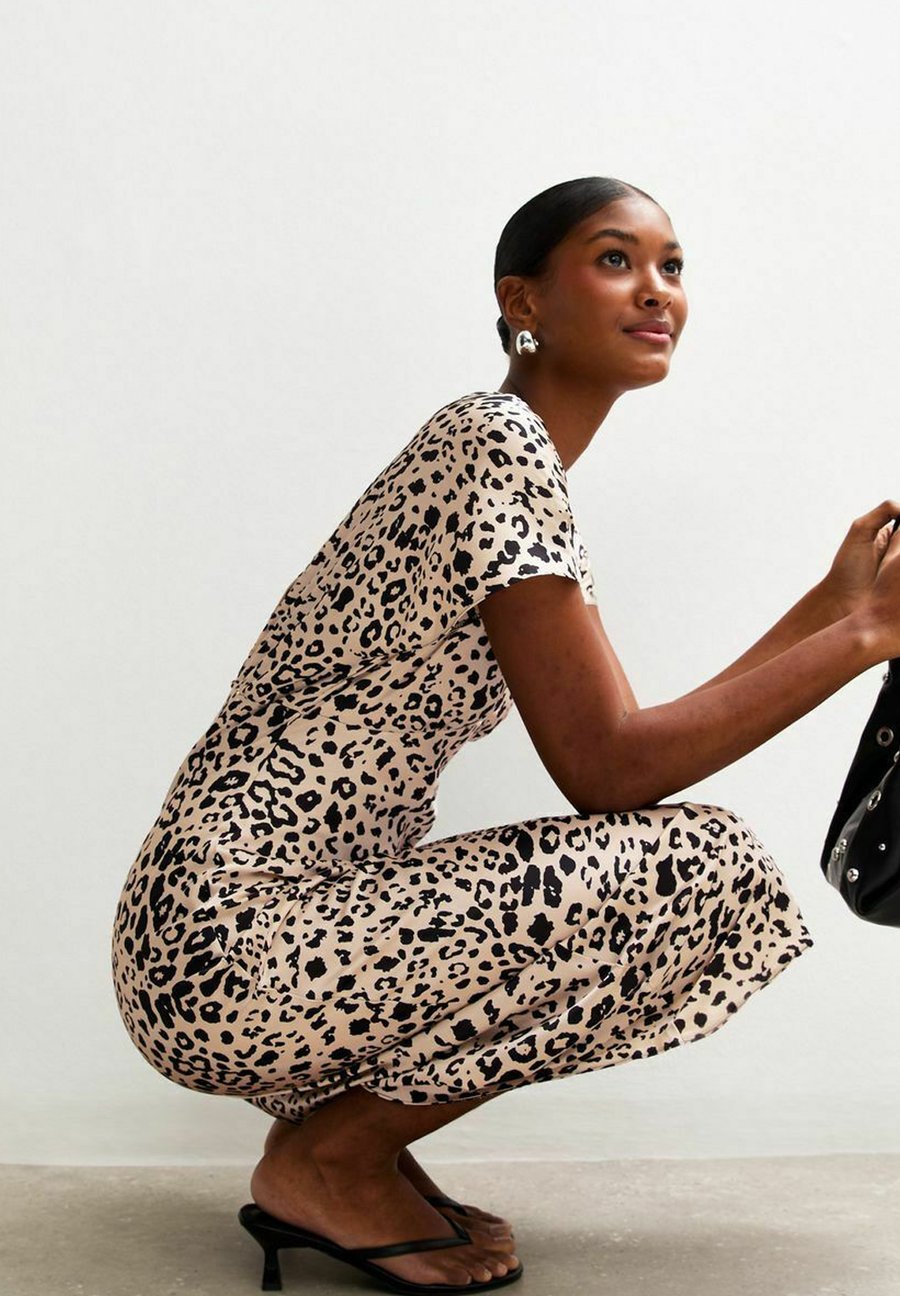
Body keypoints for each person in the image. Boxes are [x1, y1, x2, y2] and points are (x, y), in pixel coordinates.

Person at [110, 175, 900, 1295]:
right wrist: (866, 635)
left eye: (673, 266)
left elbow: (634, 738)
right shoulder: (494, 446)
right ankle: (333, 1159)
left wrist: (835, 606)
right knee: (700, 866)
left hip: (244, 931)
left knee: (679, 856)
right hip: (235, 936)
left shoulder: (514, 469)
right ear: (521, 299)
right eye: (616, 259)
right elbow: (610, 772)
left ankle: (335, 1145)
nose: (658, 291)